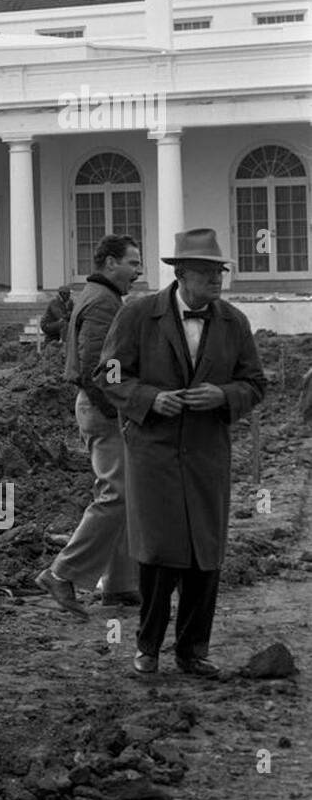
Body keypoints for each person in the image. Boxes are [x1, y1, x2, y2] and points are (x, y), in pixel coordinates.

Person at [100, 228, 267, 678]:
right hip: (153, 453)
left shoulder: (233, 322)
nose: (218, 281)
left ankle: (193, 651)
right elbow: (110, 375)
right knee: (157, 553)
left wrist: (223, 395)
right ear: (182, 274)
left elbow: (255, 383)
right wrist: (150, 399)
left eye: (220, 272)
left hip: (207, 454)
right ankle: (148, 646)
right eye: (209, 273)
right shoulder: (138, 316)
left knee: (204, 555)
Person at [36, 236, 144, 617]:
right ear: (110, 263)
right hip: (104, 410)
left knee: (125, 494)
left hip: (102, 407)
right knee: (116, 494)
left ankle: (120, 585)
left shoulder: (98, 295)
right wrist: (121, 408)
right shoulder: (102, 302)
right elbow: (97, 368)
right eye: (132, 262)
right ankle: (62, 573)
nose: (138, 270)